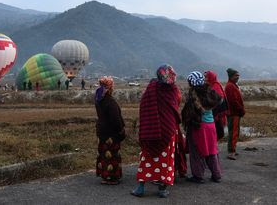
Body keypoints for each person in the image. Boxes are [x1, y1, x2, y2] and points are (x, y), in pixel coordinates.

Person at [131, 64, 181, 198]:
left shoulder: (151, 89)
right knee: (165, 160)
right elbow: (177, 104)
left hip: (150, 130)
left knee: (147, 157)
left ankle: (140, 188)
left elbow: (144, 107)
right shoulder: (173, 90)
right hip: (169, 130)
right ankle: (162, 189)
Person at [182, 71, 222, 184]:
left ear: (191, 82)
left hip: (199, 127)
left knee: (197, 151)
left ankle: (198, 176)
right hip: (211, 126)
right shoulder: (210, 92)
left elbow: (188, 114)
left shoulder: (193, 96)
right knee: (212, 150)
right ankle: (216, 175)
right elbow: (220, 101)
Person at [95, 76, 126, 185]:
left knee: (104, 154)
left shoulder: (99, 99)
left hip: (101, 132)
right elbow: (116, 119)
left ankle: (105, 176)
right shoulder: (110, 102)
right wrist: (121, 130)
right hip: (111, 134)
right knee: (112, 155)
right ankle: (112, 177)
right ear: (110, 88)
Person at [225, 68, 245, 160]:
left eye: (238, 76)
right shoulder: (230, 86)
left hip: (235, 113)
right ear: (231, 76)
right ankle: (231, 152)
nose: (238, 77)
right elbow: (234, 101)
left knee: (234, 131)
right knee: (233, 132)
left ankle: (232, 150)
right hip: (234, 113)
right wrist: (241, 110)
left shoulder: (232, 85)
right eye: (236, 76)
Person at [205, 70, 228, 140]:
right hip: (213, 115)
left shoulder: (215, 86)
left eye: (206, 77)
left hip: (216, 115)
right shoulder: (211, 85)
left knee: (217, 133)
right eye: (205, 77)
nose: (205, 79)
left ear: (211, 77)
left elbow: (219, 101)